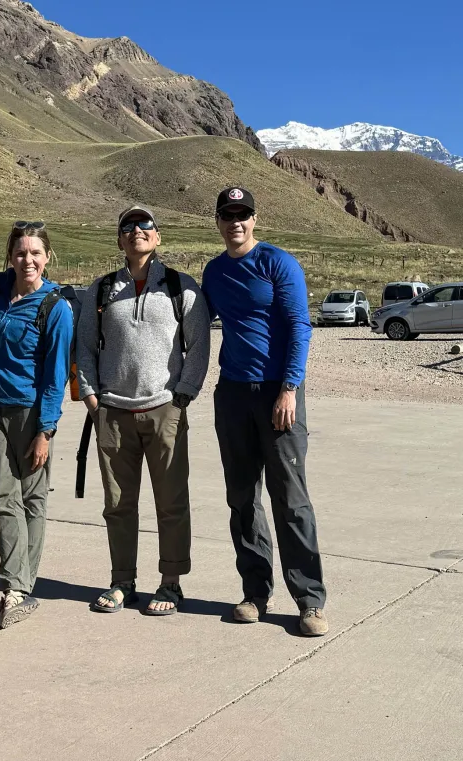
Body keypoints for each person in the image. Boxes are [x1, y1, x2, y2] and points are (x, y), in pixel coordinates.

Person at [201, 187, 328, 637]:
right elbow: (192, 316)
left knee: (291, 500)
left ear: (255, 219)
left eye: (243, 214)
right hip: (233, 394)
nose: (235, 222)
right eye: (227, 214)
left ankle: (310, 600)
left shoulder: (278, 263)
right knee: (242, 498)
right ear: (217, 221)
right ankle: (255, 592)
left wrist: (290, 388)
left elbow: (299, 326)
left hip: (278, 392)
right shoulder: (214, 271)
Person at [75, 206, 211, 616]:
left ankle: (170, 583)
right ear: (119, 240)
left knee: (171, 501)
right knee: (118, 504)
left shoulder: (180, 287)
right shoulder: (101, 291)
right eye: (128, 227)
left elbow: (199, 345)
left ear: (158, 236)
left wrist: (183, 395)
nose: (137, 231)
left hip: (164, 408)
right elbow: (83, 348)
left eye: (145, 225)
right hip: (113, 413)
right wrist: (92, 398)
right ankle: (122, 581)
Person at [0, 221, 73, 629]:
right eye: (20, 252)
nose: (27, 259)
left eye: (35, 253)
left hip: (30, 413)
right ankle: (16, 585)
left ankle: (19, 586)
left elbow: (56, 377)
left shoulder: (56, 306)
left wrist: (46, 431)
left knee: (32, 499)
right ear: (10, 256)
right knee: (4, 496)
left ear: (47, 257)